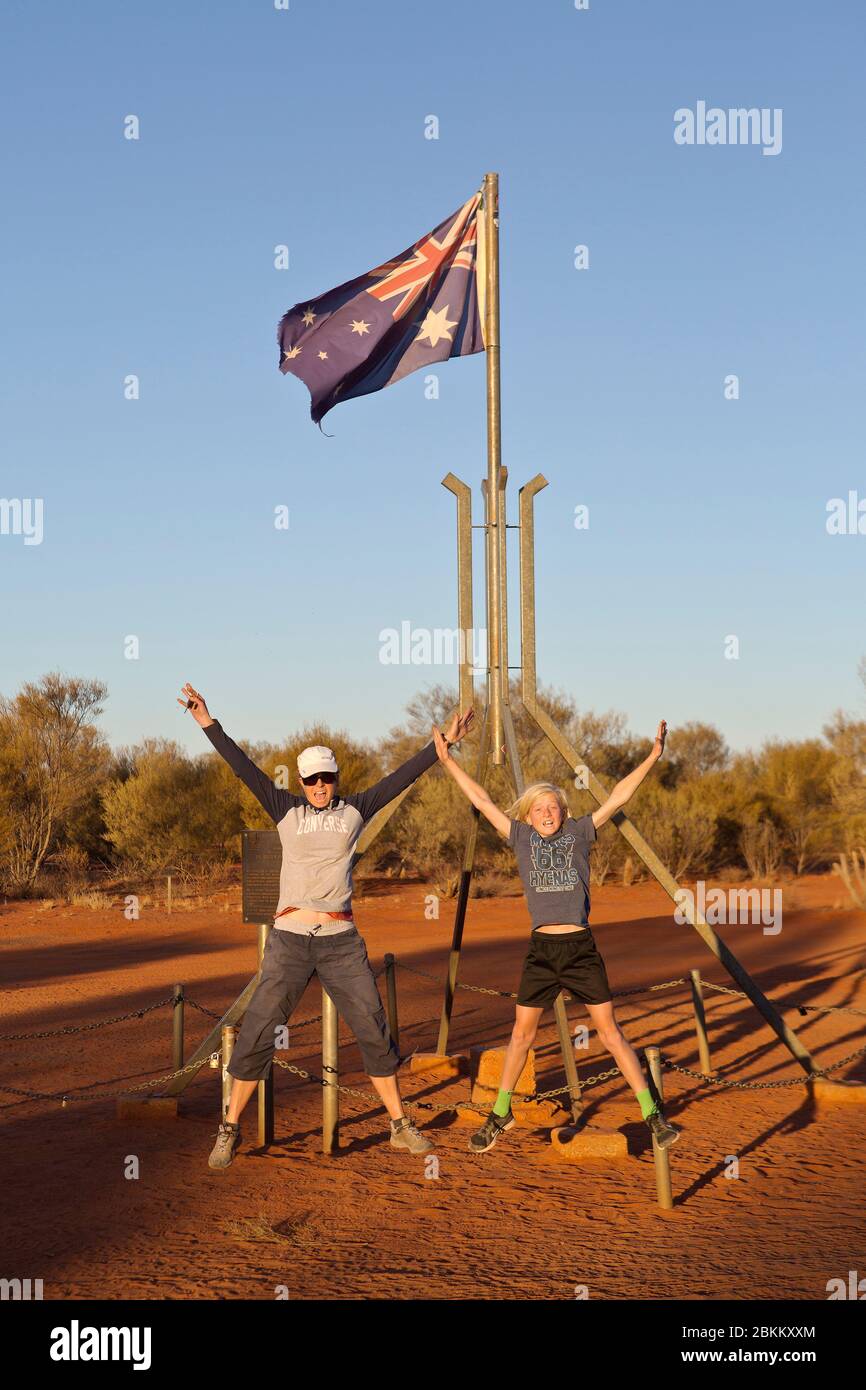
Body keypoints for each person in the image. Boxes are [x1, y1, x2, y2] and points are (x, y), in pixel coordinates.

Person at [178, 682, 473, 1169]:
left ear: (337, 778)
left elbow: (401, 779)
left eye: (327, 778)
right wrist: (209, 723)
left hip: (340, 940)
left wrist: (444, 745)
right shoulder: (285, 811)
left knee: (374, 1031)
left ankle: (399, 1125)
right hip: (291, 941)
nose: (320, 786)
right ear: (301, 780)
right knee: (257, 1032)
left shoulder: (355, 810)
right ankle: (228, 1129)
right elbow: (243, 769)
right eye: (313, 779)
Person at [431, 718, 680, 1154]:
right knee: (521, 1035)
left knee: (610, 1032)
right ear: (528, 816)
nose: (547, 814)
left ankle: (652, 1112)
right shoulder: (521, 838)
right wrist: (447, 760)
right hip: (543, 951)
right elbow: (482, 798)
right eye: (539, 809)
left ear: (563, 813)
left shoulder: (580, 834)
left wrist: (653, 757)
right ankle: (501, 1111)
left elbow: (619, 795)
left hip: (581, 949)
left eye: (553, 808)